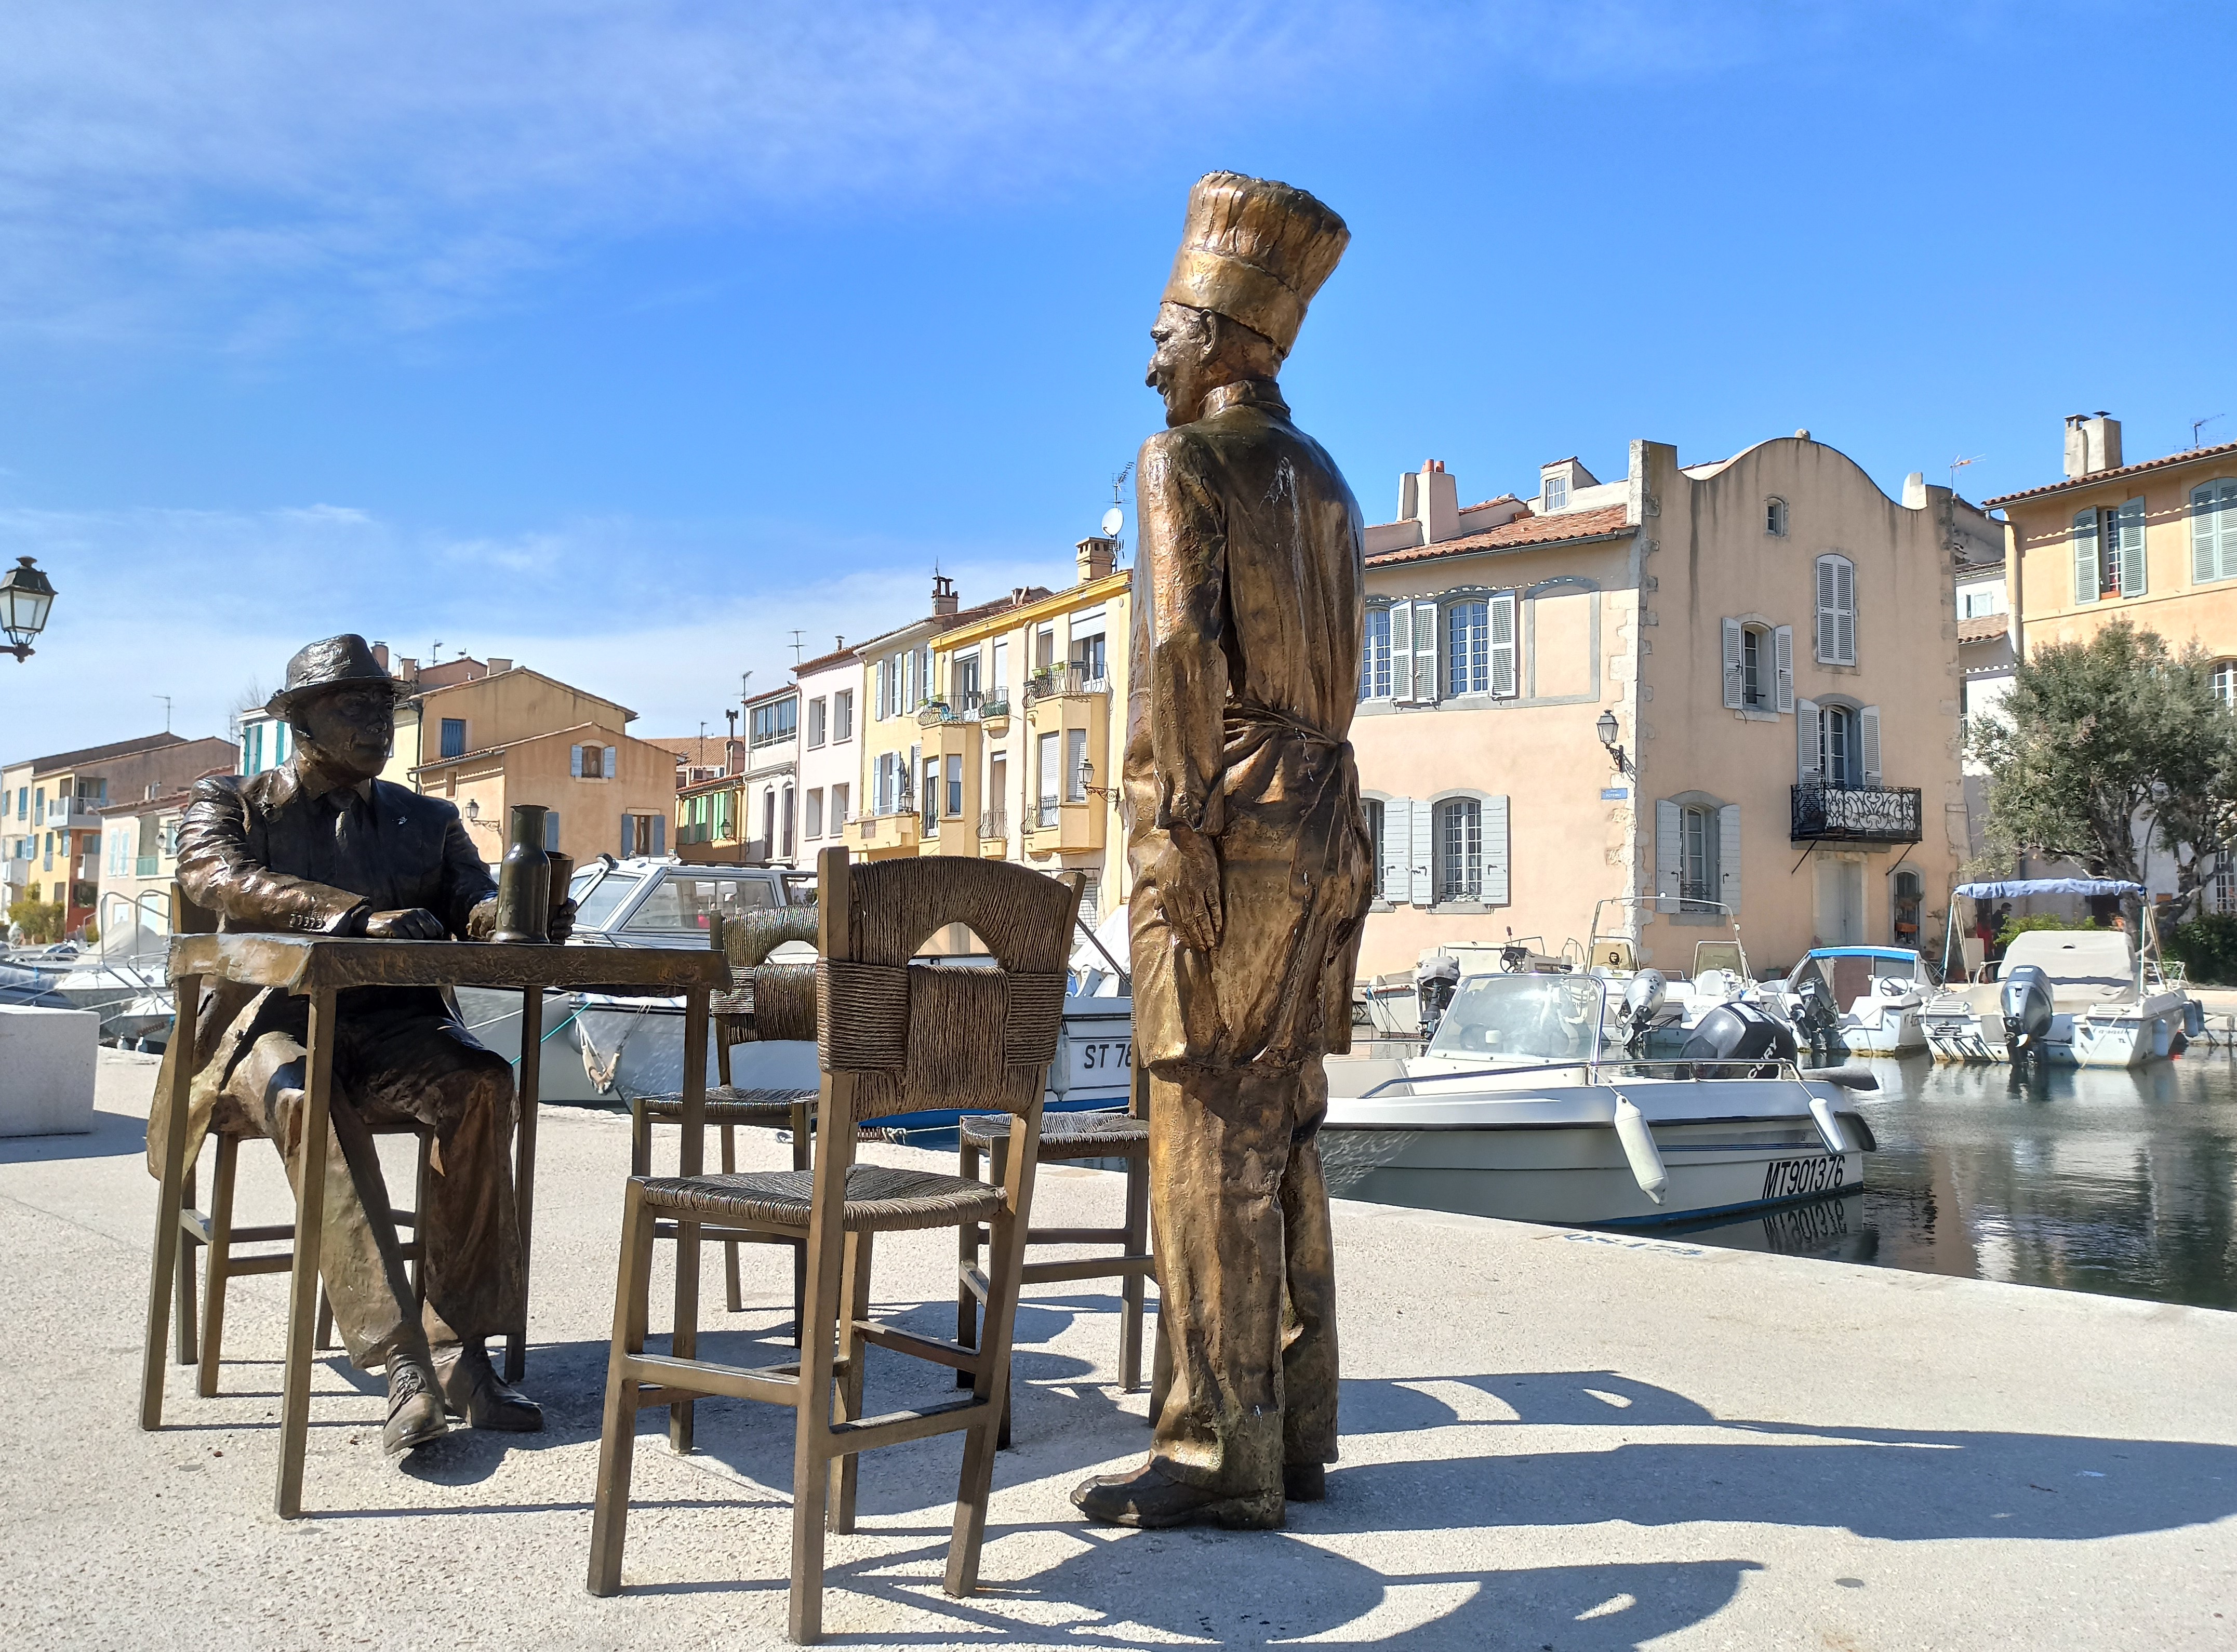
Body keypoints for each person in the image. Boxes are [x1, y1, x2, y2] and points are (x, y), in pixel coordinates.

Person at [1072, 173, 1374, 1531]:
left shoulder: (1178, 464)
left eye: (1165, 333)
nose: (1149, 364)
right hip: (1323, 816)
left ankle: (1211, 1450)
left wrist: (1178, 827)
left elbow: (1180, 649)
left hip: (1226, 819)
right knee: (1283, 1123)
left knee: (1202, 1131)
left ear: (1222, 337)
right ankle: (1293, 1428)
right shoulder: (1326, 480)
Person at [147, 634, 557, 1457]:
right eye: (356, 707)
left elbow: (473, 901)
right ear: (300, 719)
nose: (379, 723)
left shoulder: (430, 818)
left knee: (482, 1082)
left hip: (394, 1028)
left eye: (386, 709)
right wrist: (348, 912)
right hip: (263, 1029)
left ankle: (460, 1351)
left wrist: (516, 910)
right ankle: (399, 1358)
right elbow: (214, 878)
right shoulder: (231, 800)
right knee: (307, 1099)